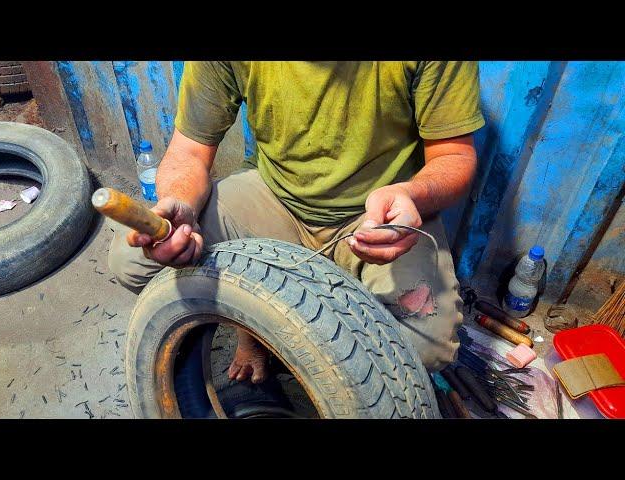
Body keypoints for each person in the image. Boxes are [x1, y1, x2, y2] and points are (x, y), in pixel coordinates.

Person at [109, 61, 485, 383]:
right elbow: (189, 150)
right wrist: (183, 205)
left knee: (422, 350)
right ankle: (254, 328)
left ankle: (305, 331)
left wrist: (412, 195)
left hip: (379, 213)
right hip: (276, 197)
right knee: (135, 258)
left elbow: (454, 156)